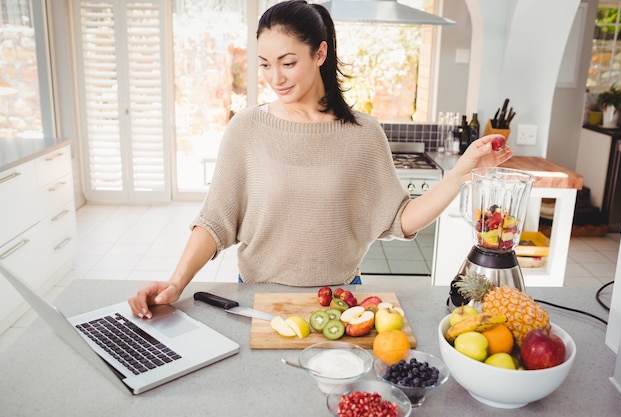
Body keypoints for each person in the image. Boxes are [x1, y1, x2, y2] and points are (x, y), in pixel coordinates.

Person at [128, 0, 512, 319]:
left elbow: (400, 219)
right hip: (257, 301)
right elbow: (214, 222)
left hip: (343, 303)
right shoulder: (245, 129)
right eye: (264, 63)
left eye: (288, 62)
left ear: (320, 53)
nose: (275, 77)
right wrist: (176, 282)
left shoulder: (363, 133)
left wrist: (462, 172)